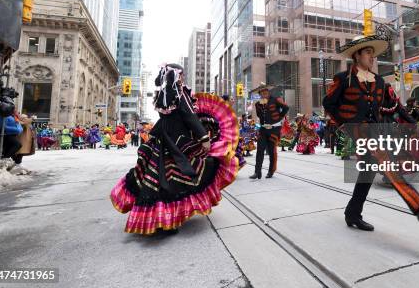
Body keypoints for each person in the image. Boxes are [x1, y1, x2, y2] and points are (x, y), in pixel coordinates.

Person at [323, 34, 419, 232]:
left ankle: (352, 213)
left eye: (372, 53)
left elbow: (394, 106)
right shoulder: (343, 78)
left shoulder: (377, 80)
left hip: (375, 130)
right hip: (357, 129)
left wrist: (413, 123)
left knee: (367, 173)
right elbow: (328, 103)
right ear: (357, 55)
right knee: (386, 161)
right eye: (368, 52)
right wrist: (343, 124)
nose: (371, 57)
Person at [110, 63, 240, 235]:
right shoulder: (179, 92)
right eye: (182, 75)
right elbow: (189, 115)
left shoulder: (162, 94)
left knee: (158, 179)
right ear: (178, 75)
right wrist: (203, 137)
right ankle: (165, 221)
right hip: (178, 141)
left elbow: (170, 117)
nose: (183, 78)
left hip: (161, 139)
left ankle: (158, 221)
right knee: (190, 174)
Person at [249, 83, 289, 179]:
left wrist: (279, 118)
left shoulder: (275, 100)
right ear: (260, 94)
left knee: (271, 151)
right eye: (262, 92)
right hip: (263, 129)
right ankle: (257, 172)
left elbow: (286, 108)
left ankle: (271, 171)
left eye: (266, 91)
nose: (264, 93)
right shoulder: (258, 104)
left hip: (274, 129)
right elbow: (259, 115)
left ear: (268, 92)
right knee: (259, 150)